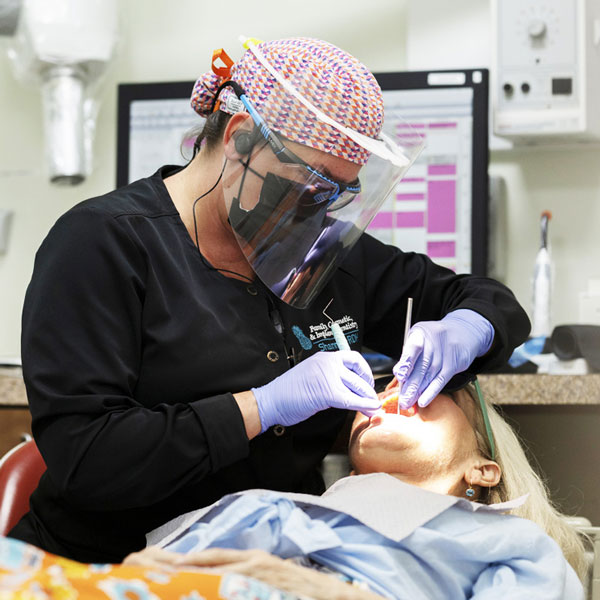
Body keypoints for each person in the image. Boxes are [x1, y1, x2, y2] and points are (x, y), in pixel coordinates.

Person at [10, 36, 530, 563]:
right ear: (239, 140)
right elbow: (90, 459)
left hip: (267, 568)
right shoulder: (106, 244)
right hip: (102, 570)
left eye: (338, 192)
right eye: (307, 188)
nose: (318, 212)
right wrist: (262, 407)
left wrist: (468, 327)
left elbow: (486, 299)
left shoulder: (325, 252)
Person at [0, 385, 586, 599]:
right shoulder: (289, 504)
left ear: (484, 469)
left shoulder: (509, 543)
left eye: (430, 389)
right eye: (385, 387)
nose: (392, 393)